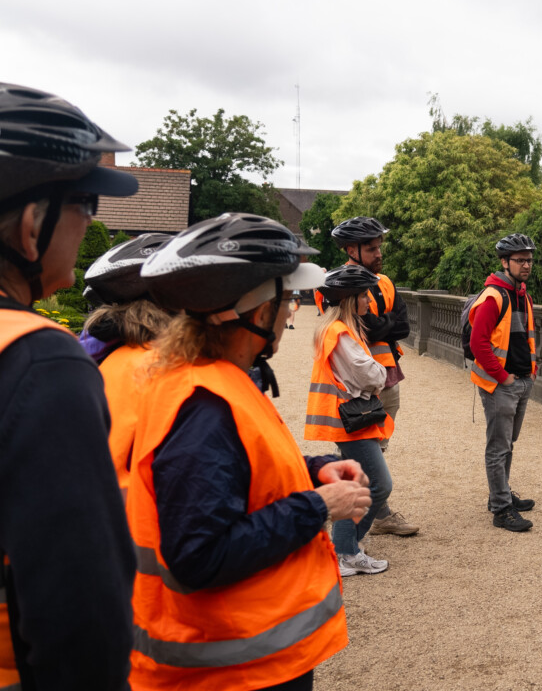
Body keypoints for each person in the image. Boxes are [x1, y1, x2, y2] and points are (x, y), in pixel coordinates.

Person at [130, 213, 370, 690]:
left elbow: (242, 469)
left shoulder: (209, 380)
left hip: (242, 659)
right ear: (257, 313)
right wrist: (318, 506)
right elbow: (201, 555)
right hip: (233, 668)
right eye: (285, 301)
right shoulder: (205, 409)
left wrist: (314, 469)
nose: (289, 312)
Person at [0, 82, 139, 689]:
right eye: (85, 201)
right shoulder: (37, 360)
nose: (90, 221)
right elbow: (79, 604)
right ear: (33, 224)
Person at [330, 216, 418, 537]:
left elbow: (403, 326)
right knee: (360, 449)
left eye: (379, 246)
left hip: (389, 376)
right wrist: (383, 325)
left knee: (377, 447)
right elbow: (358, 329)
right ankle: (366, 513)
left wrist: (378, 325)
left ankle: (364, 509)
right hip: (356, 381)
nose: (379, 253)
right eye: (371, 248)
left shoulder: (386, 282)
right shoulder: (334, 283)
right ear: (351, 250)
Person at [306, 264, 396, 576]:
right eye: (364, 296)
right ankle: (346, 550)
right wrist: (379, 374)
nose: (369, 302)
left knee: (358, 483)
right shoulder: (341, 332)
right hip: (352, 420)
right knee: (379, 484)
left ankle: (345, 550)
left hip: (348, 418)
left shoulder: (336, 328)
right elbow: (371, 373)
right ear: (350, 300)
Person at [80, 232, 174, 491]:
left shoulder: (103, 356)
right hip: (138, 514)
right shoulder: (164, 366)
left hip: (98, 505)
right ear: (170, 304)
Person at [468, 233, 539, 532]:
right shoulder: (493, 296)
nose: (526, 265)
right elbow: (477, 343)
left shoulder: (522, 295)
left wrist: (531, 372)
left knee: (508, 443)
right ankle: (500, 509)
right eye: (520, 260)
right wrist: (502, 377)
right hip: (501, 385)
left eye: (529, 260)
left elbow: (526, 337)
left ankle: (501, 492)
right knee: (498, 447)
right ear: (504, 262)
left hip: (522, 380)